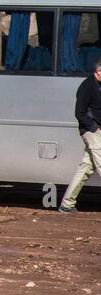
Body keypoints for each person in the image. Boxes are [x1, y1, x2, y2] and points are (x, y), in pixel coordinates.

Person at [61, 58, 101, 212]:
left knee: (85, 168)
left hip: (96, 131)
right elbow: (79, 113)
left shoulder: (98, 85)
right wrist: (94, 128)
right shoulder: (87, 86)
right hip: (92, 132)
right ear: (97, 72)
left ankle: (67, 204)